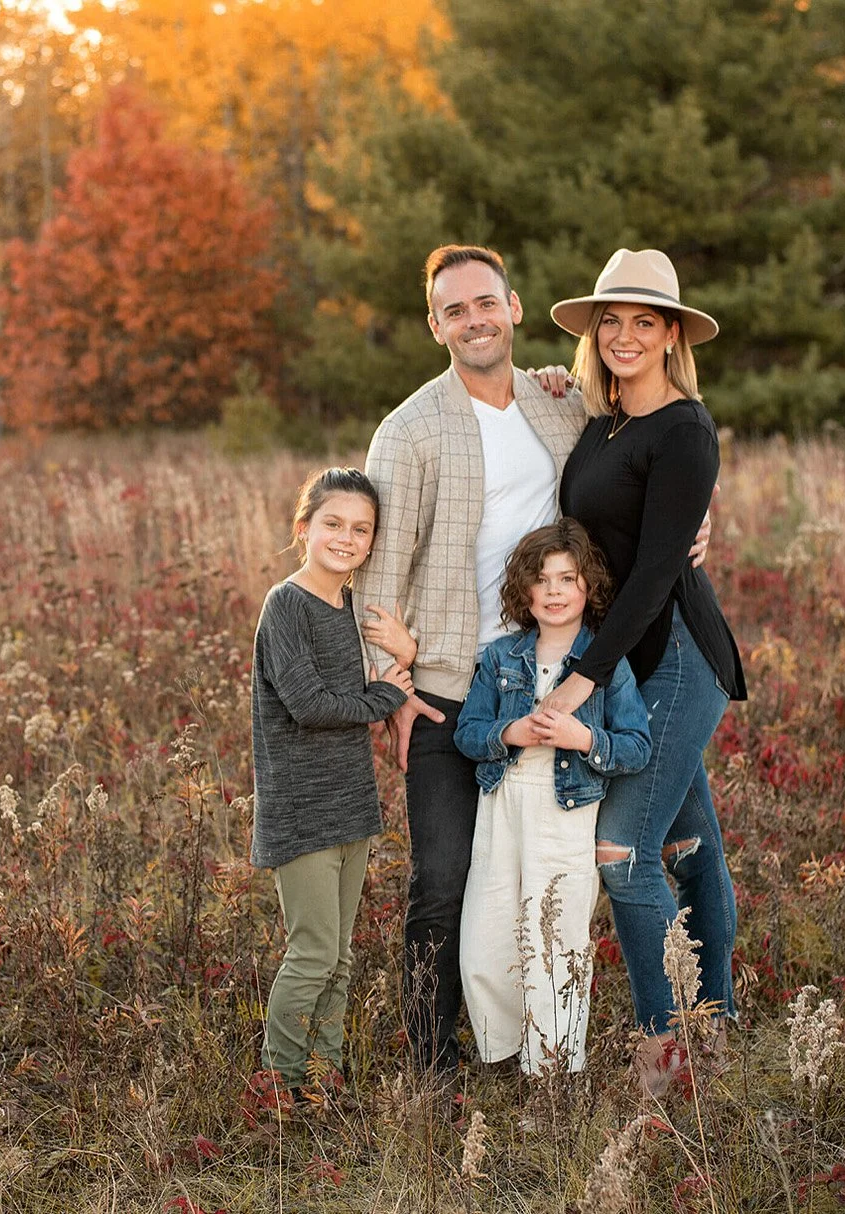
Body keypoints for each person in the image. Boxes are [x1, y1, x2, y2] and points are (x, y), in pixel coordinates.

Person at [354, 245, 711, 1076]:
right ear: (434, 324)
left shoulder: (562, 404)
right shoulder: (407, 432)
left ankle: (571, 1047)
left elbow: (662, 450)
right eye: (454, 310)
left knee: (557, 879)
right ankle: (433, 1065)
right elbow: (376, 577)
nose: (474, 320)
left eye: (487, 303)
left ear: (513, 308)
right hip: (450, 689)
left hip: (556, 674)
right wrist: (397, 690)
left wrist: (701, 516)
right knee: (445, 883)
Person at [538, 248, 748, 1097]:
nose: (626, 335)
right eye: (611, 321)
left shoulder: (686, 428)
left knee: (623, 853)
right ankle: (719, 1022)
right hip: (629, 663)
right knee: (689, 843)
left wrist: (581, 680)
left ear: (671, 336)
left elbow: (659, 572)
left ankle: (671, 1052)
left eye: (645, 322)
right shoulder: (601, 421)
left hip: (675, 660)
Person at [453, 519, 650, 1075]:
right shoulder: (500, 658)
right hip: (503, 802)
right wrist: (509, 733)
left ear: (588, 587)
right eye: (543, 580)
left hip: (567, 809)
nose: (556, 591)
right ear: (525, 591)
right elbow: (469, 733)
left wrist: (581, 738)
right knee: (487, 935)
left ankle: (554, 1070)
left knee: (557, 937)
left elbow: (636, 746)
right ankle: (504, 1052)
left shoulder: (606, 665)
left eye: (568, 578)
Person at [251, 467, 418, 1097]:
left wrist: (405, 656)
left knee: (341, 959)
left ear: (372, 541)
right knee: (313, 955)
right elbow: (310, 703)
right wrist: (380, 698)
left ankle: (326, 1077)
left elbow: (392, 671)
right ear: (304, 529)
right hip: (301, 812)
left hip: (352, 804)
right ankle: (280, 1085)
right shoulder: (286, 605)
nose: (346, 538)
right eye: (333, 524)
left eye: (360, 529)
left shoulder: (353, 607)